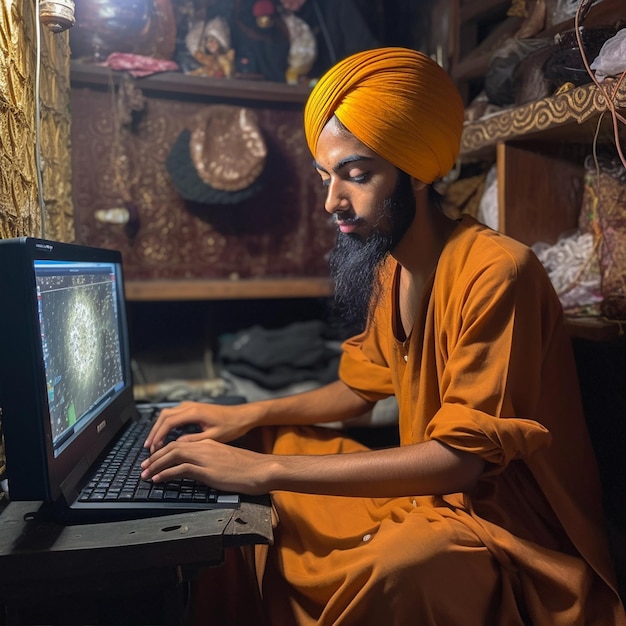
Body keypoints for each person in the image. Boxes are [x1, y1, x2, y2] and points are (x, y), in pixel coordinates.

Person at [142, 47, 626, 625]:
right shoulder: (393, 264)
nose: (332, 203)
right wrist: (248, 417)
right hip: (427, 498)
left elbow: (459, 463)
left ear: (417, 171)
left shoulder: (500, 270)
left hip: (497, 526)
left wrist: (261, 473)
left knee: (400, 559)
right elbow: (358, 388)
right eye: (326, 177)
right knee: (268, 443)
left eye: (357, 175)